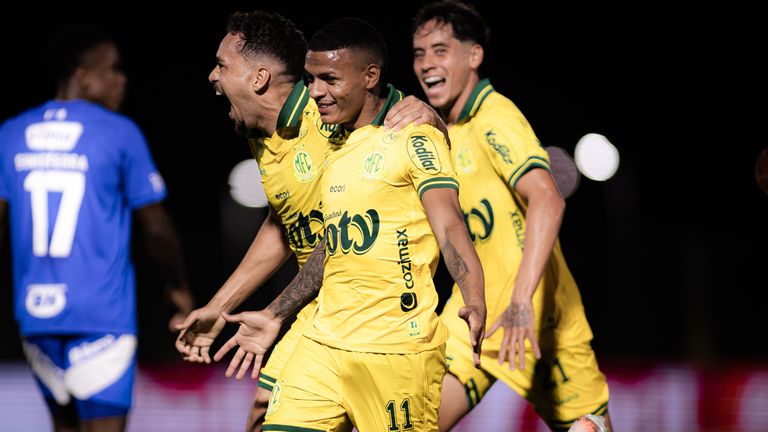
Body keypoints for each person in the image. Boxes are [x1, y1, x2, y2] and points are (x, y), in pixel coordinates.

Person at [173, 11, 449, 432]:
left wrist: (433, 117)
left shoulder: (326, 115)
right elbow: (282, 226)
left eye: (222, 65)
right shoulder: (260, 136)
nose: (212, 75)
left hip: (376, 320)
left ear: (259, 78)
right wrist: (218, 307)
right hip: (317, 312)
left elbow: (407, 141)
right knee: (262, 414)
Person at [410, 1, 613, 431]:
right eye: (419, 53)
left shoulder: (494, 116)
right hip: (474, 319)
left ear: (474, 56)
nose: (427, 64)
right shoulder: (442, 134)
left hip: (541, 325)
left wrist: (521, 301)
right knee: (415, 424)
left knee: (588, 428)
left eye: (441, 50)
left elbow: (548, 199)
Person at [0, 25, 193, 432]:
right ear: (84, 76)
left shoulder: (11, 133)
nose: (122, 80)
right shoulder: (119, 131)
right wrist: (179, 290)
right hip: (101, 318)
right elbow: (156, 227)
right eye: (114, 69)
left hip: (35, 317)